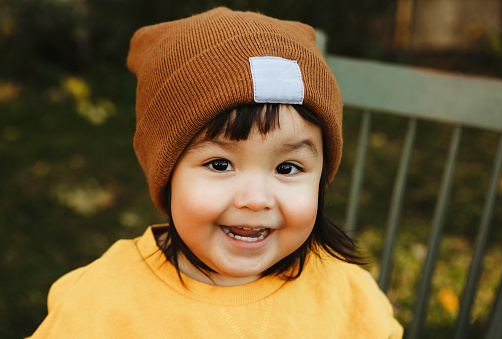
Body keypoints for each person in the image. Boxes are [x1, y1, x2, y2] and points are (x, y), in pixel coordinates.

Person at [30, 7, 403, 338]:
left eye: (287, 167)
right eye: (220, 164)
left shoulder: (347, 297)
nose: (255, 199)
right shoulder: (102, 304)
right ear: (166, 171)